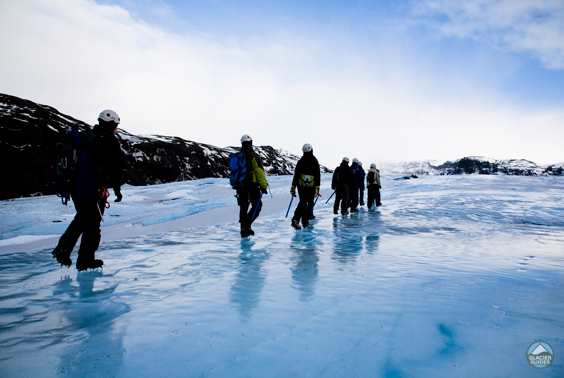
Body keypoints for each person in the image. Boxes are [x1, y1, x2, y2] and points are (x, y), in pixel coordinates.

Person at [52, 110, 124, 271]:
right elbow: (115, 168)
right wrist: (117, 189)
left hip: (77, 187)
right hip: (94, 188)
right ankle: (78, 256)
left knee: (84, 220)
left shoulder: (88, 137)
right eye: (116, 125)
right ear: (111, 123)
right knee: (91, 224)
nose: (116, 128)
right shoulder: (109, 141)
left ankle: (71, 253)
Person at [230, 134, 269, 238]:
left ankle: (244, 228)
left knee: (243, 207)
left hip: (240, 186)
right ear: (251, 142)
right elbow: (259, 172)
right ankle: (247, 225)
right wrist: (264, 186)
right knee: (257, 205)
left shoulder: (238, 156)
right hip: (253, 185)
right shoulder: (253, 155)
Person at [290, 143, 321, 229]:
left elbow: (296, 175)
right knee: (308, 202)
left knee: (303, 202)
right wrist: (317, 188)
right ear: (311, 150)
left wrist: (293, 187)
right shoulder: (315, 161)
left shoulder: (301, 161)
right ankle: (300, 221)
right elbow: (317, 175)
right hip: (311, 186)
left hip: (301, 185)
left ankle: (301, 221)